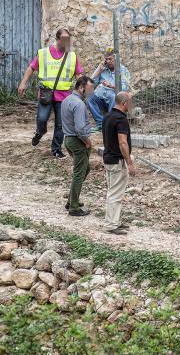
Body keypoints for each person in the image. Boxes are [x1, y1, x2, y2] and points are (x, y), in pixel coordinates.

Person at [18, 28, 84, 159]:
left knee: (61, 125)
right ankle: (40, 131)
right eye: (64, 39)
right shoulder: (43, 54)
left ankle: (56, 149)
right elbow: (31, 68)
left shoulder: (72, 56)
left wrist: (84, 89)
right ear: (57, 39)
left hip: (64, 96)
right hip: (46, 93)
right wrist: (23, 83)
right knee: (42, 119)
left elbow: (78, 74)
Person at [101, 92, 137, 235]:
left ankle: (114, 220)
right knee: (115, 194)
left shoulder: (108, 116)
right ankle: (111, 224)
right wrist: (129, 163)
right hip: (117, 161)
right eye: (130, 102)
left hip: (108, 158)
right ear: (124, 103)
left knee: (113, 192)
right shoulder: (121, 119)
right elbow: (122, 142)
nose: (131, 105)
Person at [61, 76, 94, 217]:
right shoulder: (79, 104)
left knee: (84, 169)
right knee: (79, 173)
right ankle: (73, 207)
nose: (91, 92)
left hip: (68, 139)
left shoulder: (67, 100)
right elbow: (80, 129)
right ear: (81, 88)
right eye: (89, 89)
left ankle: (71, 200)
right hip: (77, 141)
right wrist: (87, 141)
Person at [88, 48, 131, 132]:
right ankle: (100, 124)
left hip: (115, 100)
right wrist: (98, 70)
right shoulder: (103, 70)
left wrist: (111, 86)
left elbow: (125, 87)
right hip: (102, 99)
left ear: (115, 59)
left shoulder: (122, 70)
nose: (108, 61)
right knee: (90, 97)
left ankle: (110, 124)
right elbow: (91, 83)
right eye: (106, 59)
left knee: (113, 96)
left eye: (110, 59)